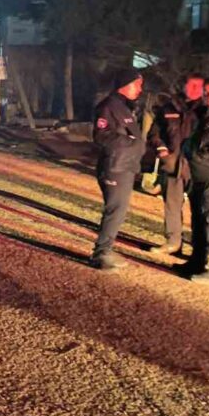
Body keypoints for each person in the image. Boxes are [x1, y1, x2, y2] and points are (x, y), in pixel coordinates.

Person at [89, 68, 146, 271]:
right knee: (114, 210)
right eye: (138, 84)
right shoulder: (109, 106)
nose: (141, 89)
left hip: (125, 165)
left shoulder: (124, 107)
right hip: (115, 166)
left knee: (118, 211)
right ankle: (101, 254)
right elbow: (101, 135)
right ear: (126, 84)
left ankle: (106, 249)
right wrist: (131, 143)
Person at [147, 73, 204, 255]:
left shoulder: (206, 110)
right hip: (172, 164)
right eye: (191, 85)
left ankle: (200, 249)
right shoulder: (169, 108)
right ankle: (173, 243)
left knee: (200, 209)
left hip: (197, 168)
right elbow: (154, 133)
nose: (195, 89)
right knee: (171, 205)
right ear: (184, 85)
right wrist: (161, 148)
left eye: (198, 86)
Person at [180, 78, 209, 283]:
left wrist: (200, 155)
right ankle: (197, 261)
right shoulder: (204, 115)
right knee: (198, 222)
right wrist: (189, 149)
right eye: (206, 92)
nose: (206, 96)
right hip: (198, 177)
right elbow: (191, 140)